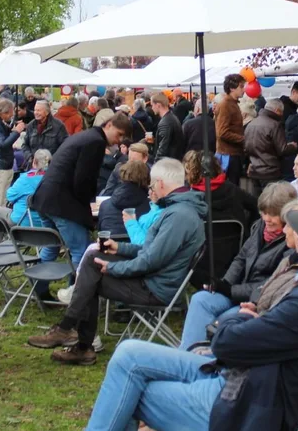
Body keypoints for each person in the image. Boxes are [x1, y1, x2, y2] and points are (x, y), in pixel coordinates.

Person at [2, 191, 298, 431]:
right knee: (128, 353)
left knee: (130, 392)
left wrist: (235, 321)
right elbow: (246, 330)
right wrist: (243, 320)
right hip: (251, 378)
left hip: (254, 406)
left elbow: (228, 339)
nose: (292, 232)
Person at [27, 157, 206, 366]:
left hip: (154, 289)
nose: (151, 189)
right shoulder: (179, 211)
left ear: (160, 184)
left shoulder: (179, 216)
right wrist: (119, 247)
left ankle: (73, 336)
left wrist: (114, 267)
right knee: (92, 264)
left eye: (152, 184)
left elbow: (150, 260)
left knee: (91, 271)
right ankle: (77, 341)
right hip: (154, 280)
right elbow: (152, 251)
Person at [179, 181, 297, 350]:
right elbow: (241, 257)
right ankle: (187, 353)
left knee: (225, 320)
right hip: (238, 291)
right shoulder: (260, 227)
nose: (267, 219)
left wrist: (230, 290)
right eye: (264, 212)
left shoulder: (291, 241)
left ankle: (197, 359)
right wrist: (225, 283)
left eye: (273, 214)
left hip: (259, 302)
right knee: (200, 298)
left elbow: (273, 283)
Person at [30, 111, 134, 269]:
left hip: (45, 198)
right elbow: (83, 180)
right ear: (109, 125)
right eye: (119, 135)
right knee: (82, 251)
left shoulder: (85, 136)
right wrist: (88, 206)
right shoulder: (96, 141)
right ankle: (77, 292)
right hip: (62, 203)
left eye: (122, 138)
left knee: (51, 246)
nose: (118, 141)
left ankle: (40, 289)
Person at [184, 149, 257, 281]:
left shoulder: (191, 199)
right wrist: (248, 226)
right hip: (235, 256)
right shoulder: (232, 190)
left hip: (201, 261)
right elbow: (257, 206)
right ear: (217, 166)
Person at [243, 98, 292, 196]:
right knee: (271, 202)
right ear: (277, 110)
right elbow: (282, 149)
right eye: (281, 112)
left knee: (258, 202)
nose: (282, 115)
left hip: (254, 170)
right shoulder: (275, 125)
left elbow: (245, 148)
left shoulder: (251, 124)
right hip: (270, 171)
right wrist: (292, 146)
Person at [0, 98, 25, 207]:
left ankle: (0, 221)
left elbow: (4, 136)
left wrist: (12, 127)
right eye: (10, 113)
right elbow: (3, 144)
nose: (11, 116)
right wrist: (17, 132)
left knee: (3, 201)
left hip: (5, 165)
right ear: (3, 112)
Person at [98, 159, 152, 240]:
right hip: (139, 250)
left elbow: (101, 229)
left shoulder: (105, 205)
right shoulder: (152, 207)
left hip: (109, 249)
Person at [214, 74, 247, 184]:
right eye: (241, 86)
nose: (244, 89)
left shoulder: (232, 104)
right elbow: (222, 132)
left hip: (232, 153)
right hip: (228, 155)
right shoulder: (226, 105)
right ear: (232, 88)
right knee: (230, 187)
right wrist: (243, 139)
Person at [7, 148, 51, 227]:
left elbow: (9, 196)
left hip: (21, 222)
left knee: (1, 212)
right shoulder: (55, 180)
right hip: (48, 228)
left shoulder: (24, 179)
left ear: (34, 162)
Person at [149, 92, 186, 163]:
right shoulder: (172, 117)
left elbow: (163, 148)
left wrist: (156, 164)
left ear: (158, 105)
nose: (152, 108)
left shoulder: (165, 122)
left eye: (152, 105)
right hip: (174, 161)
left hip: (168, 164)